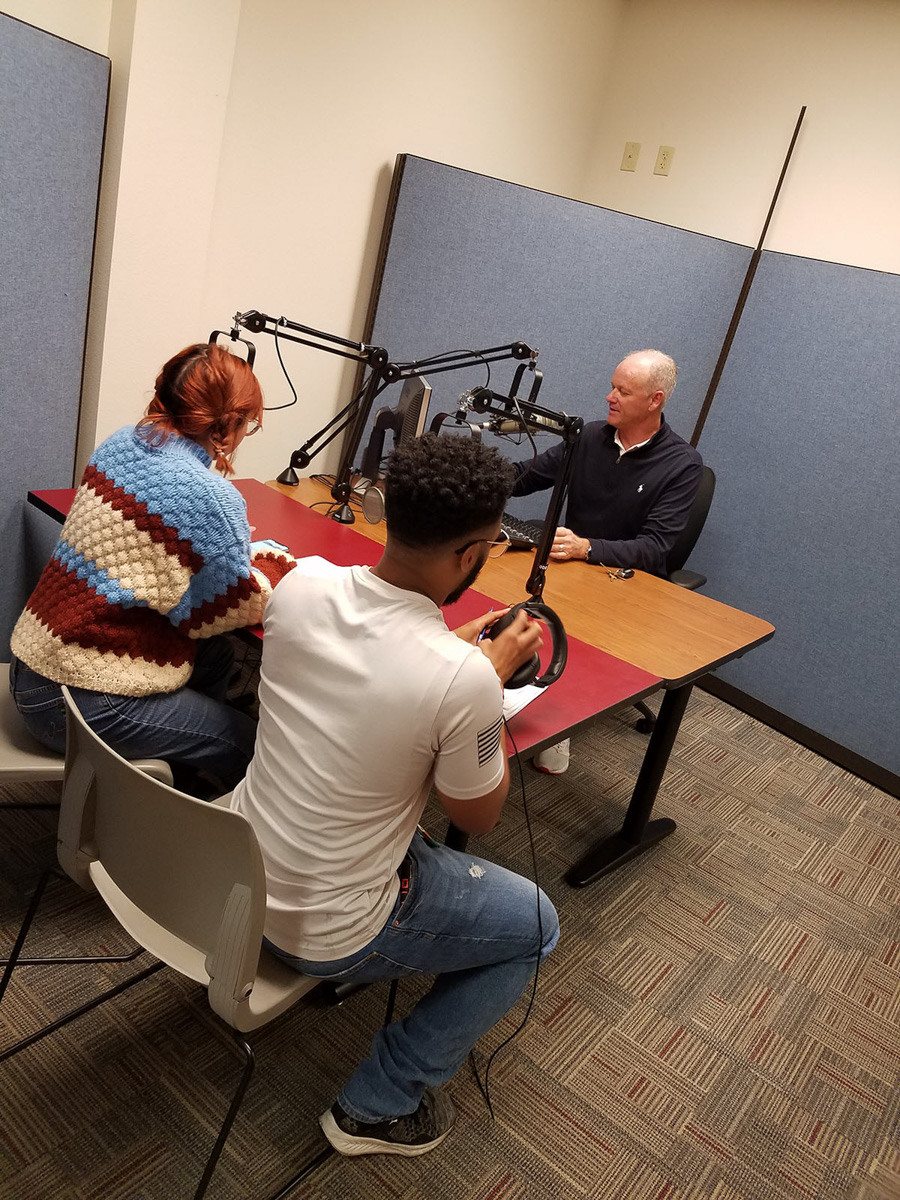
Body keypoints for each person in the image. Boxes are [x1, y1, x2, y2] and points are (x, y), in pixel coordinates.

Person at [231, 433, 559, 1158]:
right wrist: (487, 681)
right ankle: (377, 1106)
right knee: (538, 924)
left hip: (231, 876)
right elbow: (478, 813)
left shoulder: (301, 584)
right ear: (474, 553)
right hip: (324, 928)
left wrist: (453, 653)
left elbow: (377, 658)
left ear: (385, 509)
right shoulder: (462, 679)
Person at [9, 342, 296, 794]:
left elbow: (161, 569)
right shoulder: (211, 497)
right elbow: (225, 610)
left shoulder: (123, 443)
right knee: (247, 743)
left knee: (218, 657)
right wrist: (275, 564)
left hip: (34, 667)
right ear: (225, 426)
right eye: (248, 425)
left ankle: (174, 783)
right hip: (77, 702)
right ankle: (188, 822)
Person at [512, 349, 702, 775]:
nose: (609, 397)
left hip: (626, 585)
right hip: (568, 570)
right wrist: (465, 476)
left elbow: (656, 548)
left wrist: (587, 549)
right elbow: (525, 476)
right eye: (612, 386)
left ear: (655, 400)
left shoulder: (681, 464)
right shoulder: (589, 438)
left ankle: (557, 726)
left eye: (622, 390)